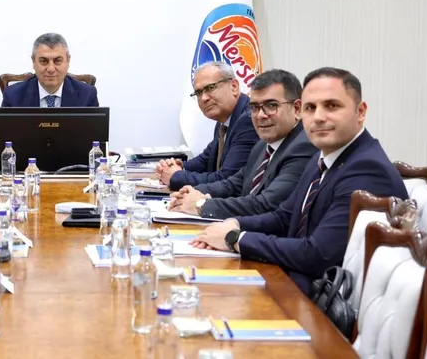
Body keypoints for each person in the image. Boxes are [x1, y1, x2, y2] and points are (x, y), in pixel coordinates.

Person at [191, 67, 408, 293]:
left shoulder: (366, 168)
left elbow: (317, 254)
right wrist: (235, 224)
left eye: (332, 106)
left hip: (317, 300)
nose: (319, 117)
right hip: (296, 282)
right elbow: (284, 216)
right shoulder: (322, 157)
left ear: (360, 112)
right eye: (310, 108)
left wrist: (237, 239)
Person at [168, 69, 317, 219]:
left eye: (271, 105)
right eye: (254, 107)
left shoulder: (304, 146)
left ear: (297, 109)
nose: (260, 115)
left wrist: (201, 204)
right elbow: (234, 184)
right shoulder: (262, 146)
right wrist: (190, 193)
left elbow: (265, 204)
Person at [157, 62, 259, 190]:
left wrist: (176, 176)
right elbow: (206, 159)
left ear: (233, 86)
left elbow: (226, 179)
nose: (204, 98)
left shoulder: (249, 119)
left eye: (210, 88)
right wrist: (177, 167)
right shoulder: (224, 120)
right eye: (198, 92)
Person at [1, 33, 99, 108]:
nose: (51, 69)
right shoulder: (12, 95)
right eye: (44, 61)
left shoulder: (87, 94)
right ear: (33, 61)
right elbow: (5, 129)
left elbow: (93, 129)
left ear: (68, 61)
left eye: (58, 61)